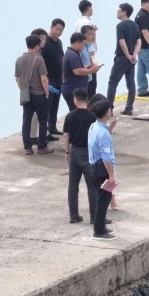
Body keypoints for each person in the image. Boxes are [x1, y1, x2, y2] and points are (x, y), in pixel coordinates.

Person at [62, 88, 97, 224]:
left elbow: (66, 135)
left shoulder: (70, 116)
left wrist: (67, 152)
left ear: (75, 99)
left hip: (74, 152)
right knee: (92, 186)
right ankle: (94, 217)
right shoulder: (92, 116)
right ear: (86, 99)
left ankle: (74, 215)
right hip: (88, 153)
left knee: (73, 186)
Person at [15, 34, 52, 155]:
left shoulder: (19, 59)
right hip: (39, 94)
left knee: (26, 121)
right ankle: (42, 147)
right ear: (37, 46)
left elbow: (17, 78)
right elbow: (44, 79)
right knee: (42, 120)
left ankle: (27, 147)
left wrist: (23, 89)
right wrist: (46, 92)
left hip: (26, 95)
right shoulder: (39, 59)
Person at [87, 99, 117, 240]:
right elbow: (106, 157)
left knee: (103, 198)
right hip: (101, 168)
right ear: (107, 113)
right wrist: (111, 175)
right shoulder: (103, 133)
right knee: (103, 199)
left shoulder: (94, 126)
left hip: (93, 165)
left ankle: (101, 227)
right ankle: (98, 231)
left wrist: (109, 130)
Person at [105, 3, 142, 116]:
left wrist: (127, 55)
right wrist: (133, 55)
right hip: (131, 59)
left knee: (112, 83)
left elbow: (122, 43)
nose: (117, 12)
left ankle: (109, 108)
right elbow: (139, 42)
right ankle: (129, 108)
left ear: (124, 12)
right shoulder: (135, 25)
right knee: (131, 83)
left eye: (119, 11)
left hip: (122, 58)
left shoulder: (120, 26)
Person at [36, 21, 66, 135]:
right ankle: (44, 132)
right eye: (56, 29)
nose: (58, 32)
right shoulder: (44, 42)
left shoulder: (59, 42)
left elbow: (61, 58)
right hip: (48, 78)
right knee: (47, 105)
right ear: (51, 27)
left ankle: (52, 127)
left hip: (58, 78)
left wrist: (63, 75)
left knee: (55, 104)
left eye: (61, 30)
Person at [62, 31, 101, 109]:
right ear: (77, 43)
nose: (83, 46)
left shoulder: (73, 53)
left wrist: (88, 67)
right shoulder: (73, 55)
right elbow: (77, 71)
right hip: (73, 90)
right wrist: (91, 71)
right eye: (83, 44)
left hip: (75, 90)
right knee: (77, 113)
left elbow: (77, 68)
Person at [74, 1, 99, 96]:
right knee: (91, 84)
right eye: (91, 8)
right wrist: (94, 58)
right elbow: (91, 43)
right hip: (87, 55)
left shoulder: (77, 22)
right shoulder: (88, 22)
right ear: (89, 9)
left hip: (80, 54)